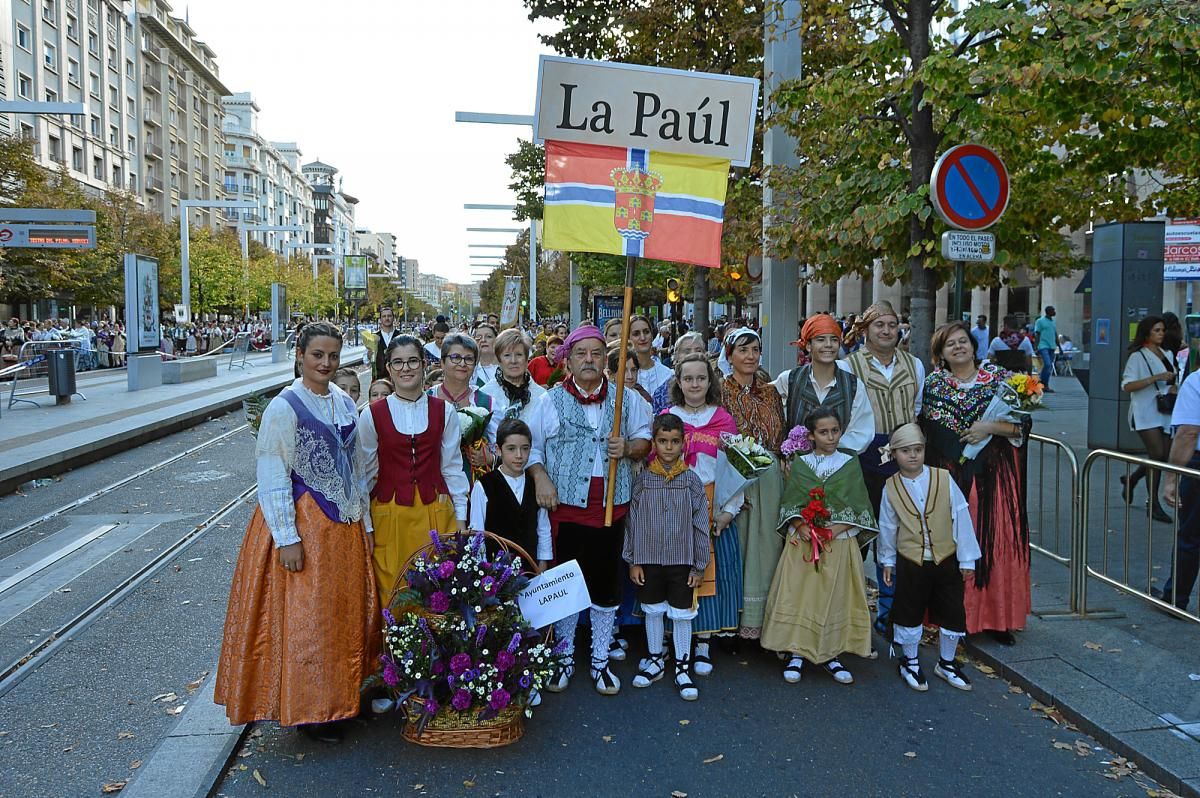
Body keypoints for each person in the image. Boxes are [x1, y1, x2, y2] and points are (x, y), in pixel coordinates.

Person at [214, 322, 379, 744]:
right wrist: (286, 537)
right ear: (300, 356)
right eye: (317, 355)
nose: (325, 363)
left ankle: (342, 699)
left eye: (333, 356)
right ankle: (311, 710)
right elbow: (271, 472)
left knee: (341, 615)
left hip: (343, 527)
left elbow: (356, 470)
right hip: (306, 525)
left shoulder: (344, 402)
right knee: (310, 619)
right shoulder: (283, 407)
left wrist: (366, 522)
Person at [526, 325, 653, 696]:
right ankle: (565, 658)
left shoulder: (627, 400)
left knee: (604, 584)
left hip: (612, 505)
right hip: (567, 506)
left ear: (605, 360)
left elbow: (646, 440)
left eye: (596, 354)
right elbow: (532, 449)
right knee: (565, 584)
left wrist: (629, 448)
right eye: (581, 353)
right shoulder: (549, 401)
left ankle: (599, 660)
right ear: (568, 359)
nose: (588, 360)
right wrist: (541, 479)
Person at [921, 322, 1031, 644]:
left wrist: (988, 428)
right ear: (940, 354)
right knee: (957, 543)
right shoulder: (936, 385)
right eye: (949, 344)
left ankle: (997, 619)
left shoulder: (999, 379)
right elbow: (934, 431)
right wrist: (962, 453)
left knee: (998, 539)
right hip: (954, 475)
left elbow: (1020, 427)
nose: (958, 347)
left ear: (973, 344)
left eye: (962, 341)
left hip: (996, 474)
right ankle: (957, 615)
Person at [762, 407, 876, 685]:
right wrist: (801, 526)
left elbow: (859, 505)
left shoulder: (849, 462)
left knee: (833, 597)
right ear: (811, 436)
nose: (831, 437)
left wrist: (834, 530)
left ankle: (831, 653)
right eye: (823, 432)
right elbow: (790, 501)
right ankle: (796, 651)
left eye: (835, 431)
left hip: (837, 543)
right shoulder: (801, 463)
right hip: (802, 543)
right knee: (799, 596)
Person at [358, 335, 468, 604]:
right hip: (390, 515)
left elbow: (452, 468)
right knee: (393, 591)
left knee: (439, 591)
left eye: (412, 361)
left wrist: (462, 520)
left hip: (436, 513)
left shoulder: (445, 412)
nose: (405, 368)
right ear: (389, 369)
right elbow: (364, 477)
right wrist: (367, 526)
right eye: (398, 362)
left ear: (423, 364)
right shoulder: (372, 414)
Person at [840, 300, 925, 633]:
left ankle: (891, 610)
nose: (887, 331)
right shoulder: (849, 367)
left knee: (900, 535)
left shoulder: (914, 365)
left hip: (904, 457)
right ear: (866, 330)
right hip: (864, 455)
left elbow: (915, 408)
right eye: (880, 325)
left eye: (892, 325)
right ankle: (851, 612)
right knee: (860, 535)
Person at [877, 423, 980, 692]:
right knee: (909, 609)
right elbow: (888, 526)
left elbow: (961, 515)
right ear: (894, 453)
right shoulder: (890, 488)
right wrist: (887, 560)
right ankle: (910, 660)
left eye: (918, 450)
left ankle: (946, 662)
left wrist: (967, 558)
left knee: (952, 610)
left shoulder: (943, 478)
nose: (912, 456)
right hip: (911, 560)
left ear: (925, 451)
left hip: (946, 557)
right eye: (905, 451)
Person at [666, 353, 742, 676]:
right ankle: (677, 642)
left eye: (701, 378)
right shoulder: (669, 417)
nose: (695, 384)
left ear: (710, 382)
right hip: (676, 506)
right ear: (678, 383)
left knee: (711, 577)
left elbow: (739, 469)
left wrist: (728, 512)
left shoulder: (723, 419)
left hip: (713, 504)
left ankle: (703, 645)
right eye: (688, 379)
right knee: (678, 574)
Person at [625, 413, 710, 701]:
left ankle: (683, 666)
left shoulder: (692, 482)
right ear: (654, 443)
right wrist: (633, 559)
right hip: (648, 560)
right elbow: (632, 521)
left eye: (675, 441)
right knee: (652, 609)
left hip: (681, 561)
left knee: (682, 614)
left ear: (683, 442)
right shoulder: (643, 481)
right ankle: (655, 660)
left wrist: (699, 565)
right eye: (662, 441)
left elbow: (701, 524)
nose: (669, 447)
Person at [718, 327, 786, 642]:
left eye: (755, 349)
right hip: (735, 475)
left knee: (768, 545)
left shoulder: (771, 392)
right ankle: (733, 621)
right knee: (740, 544)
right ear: (729, 355)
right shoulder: (719, 391)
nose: (750, 356)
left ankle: (764, 622)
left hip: (770, 478)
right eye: (743, 350)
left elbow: (780, 435)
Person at [773, 314, 875, 454]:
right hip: (797, 470)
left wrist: (830, 451)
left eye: (834, 339)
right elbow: (764, 402)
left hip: (839, 469)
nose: (828, 345)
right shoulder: (790, 379)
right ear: (808, 345)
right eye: (820, 339)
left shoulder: (853, 385)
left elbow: (862, 432)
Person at [468, 418, 551, 565]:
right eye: (511, 449)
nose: (519, 455)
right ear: (498, 450)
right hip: (495, 573)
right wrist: (481, 570)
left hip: (529, 569)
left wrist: (543, 563)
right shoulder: (484, 486)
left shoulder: (534, 486)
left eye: (525, 448)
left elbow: (543, 528)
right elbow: (477, 532)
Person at [1121, 315, 1178, 523]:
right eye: (1156, 330)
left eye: (1162, 330)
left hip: (1163, 410)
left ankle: (1133, 479)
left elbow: (1171, 378)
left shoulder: (1167, 353)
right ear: (1147, 333)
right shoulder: (1138, 357)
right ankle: (1152, 503)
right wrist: (1155, 378)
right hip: (1144, 410)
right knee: (1157, 453)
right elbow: (1127, 386)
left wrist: (1172, 386)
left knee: (1161, 456)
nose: (1161, 333)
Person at [1158, 370, 1200, 612]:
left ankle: (1176, 597)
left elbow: (1188, 433)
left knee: (1191, 536)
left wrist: (1171, 477)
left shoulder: (1196, 381)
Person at [430, 333, 495, 478]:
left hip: (474, 483)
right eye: (455, 357)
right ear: (442, 362)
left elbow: (500, 445)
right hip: (434, 483)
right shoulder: (426, 398)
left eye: (469, 359)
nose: (463, 363)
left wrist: (489, 457)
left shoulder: (488, 402)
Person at [480, 328, 547, 445]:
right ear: (499, 360)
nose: (513, 361)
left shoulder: (542, 397)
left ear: (527, 359)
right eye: (507, 355)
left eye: (519, 355)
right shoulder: (484, 395)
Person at [652, 332, 706, 414]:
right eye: (687, 351)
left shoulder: (716, 389)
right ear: (676, 356)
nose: (693, 355)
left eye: (698, 350)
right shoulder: (662, 393)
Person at [630, 315, 674, 397]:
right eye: (636, 334)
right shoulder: (623, 375)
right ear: (628, 338)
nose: (643, 338)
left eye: (646, 332)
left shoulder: (667, 374)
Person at [1034, 306, 1058, 392]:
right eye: (1053, 310)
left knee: (1049, 366)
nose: (1054, 312)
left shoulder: (1053, 322)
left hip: (1052, 346)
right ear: (1049, 311)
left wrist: (1060, 347)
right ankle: (1042, 382)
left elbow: (1055, 334)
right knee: (1047, 364)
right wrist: (1036, 347)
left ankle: (1044, 384)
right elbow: (1037, 334)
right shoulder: (1040, 321)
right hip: (1043, 345)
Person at [372, 306, 400, 380]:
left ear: (393, 318)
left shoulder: (401, 336)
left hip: (398, 376)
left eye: (389, 316)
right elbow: (366, 360)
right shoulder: (373, 337)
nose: (387, 318)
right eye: (384, 316)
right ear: (380, 319)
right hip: (379, 377)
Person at [472, 322, 499, 387]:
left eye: (488, 337)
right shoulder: (471, 369)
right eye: (479, 337)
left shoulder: (506, 366)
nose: (483, 340)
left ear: (496, 340)